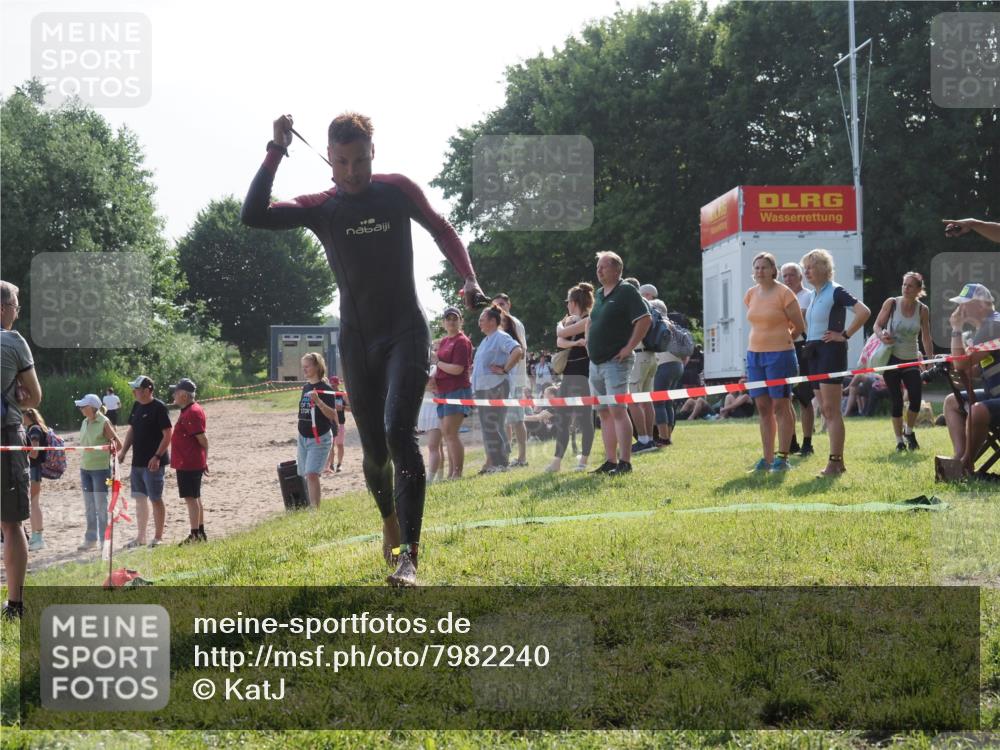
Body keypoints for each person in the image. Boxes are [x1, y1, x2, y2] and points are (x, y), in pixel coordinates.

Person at [242, 112, 484, 587]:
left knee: (399, 432)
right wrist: (276, 148)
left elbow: (441, 228)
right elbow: (253, 214)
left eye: (361, 160)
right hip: (356, 340)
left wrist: (469, 277)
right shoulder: (322, 206)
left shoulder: (396, 190)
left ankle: (408, 558)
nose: (353, 172)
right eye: (344, 162)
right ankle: (389, 519)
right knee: (374, 452)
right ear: (329, 159)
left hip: (405, 333)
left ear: (374, 153)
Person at [800, 249, 871, 476]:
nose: (806, 272)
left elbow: (863, 312)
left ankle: (835, 462)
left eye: (810, 267)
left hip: (830, 353)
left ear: (822, 268)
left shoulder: (836, 291)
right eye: (805, 268)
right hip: (814, 352)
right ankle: (837, 462)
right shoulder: (814, 295)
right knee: (825, 410)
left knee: (831, 410)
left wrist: (845, 334)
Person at [586, 252, 652, 476]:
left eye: (604, 266)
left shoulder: (626, 291)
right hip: (596, 363)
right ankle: (610, 461)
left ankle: (625, 461)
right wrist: (588, 343)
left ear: (617, 270)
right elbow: (593, 322)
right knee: (603, 413)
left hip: (616, 361)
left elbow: (644, 319)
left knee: (617, 410)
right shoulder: (599, 294)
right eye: (598, 267)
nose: (599, 270)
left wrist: (629, 347)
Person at [1, 280, 42, 620]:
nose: (17, 311)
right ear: (2, 309)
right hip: (5, 435)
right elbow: (36, 396)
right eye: (15, 305)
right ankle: (15, 605)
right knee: (12, 523)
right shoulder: (12, 341)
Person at [744, 252, 805, 472]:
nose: (760, 271)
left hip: (780, 354)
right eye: (756, 267)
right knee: (762, 406)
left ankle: (783, 457)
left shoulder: (784, 293)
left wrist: (785, 338)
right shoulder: (751, 294)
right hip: (754, 355)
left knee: (781, 405)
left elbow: (799, 326)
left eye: (764, 267)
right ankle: (767, 458)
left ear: (773, 270)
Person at [871, 272, 934, 451]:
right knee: (897, 401)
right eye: (904, 285)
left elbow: (927, 338)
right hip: (891, 357)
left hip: (911, 358)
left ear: (918, 290)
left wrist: (929, 363)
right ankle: (899, 441)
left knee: (915, 398)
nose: (906, 288)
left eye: (910, 286)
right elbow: (877, 326)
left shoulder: (923, 310)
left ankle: (909, 431)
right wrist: (882, 336)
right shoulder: (891, 303)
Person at [942, 283, 1000, 473]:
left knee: (977, 411)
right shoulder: (986, 327)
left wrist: (956, 328)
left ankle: (966, 463)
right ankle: (958, 457)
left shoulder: (994, 326)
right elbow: (974, 368)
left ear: (982, 304)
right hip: (995, 395)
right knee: (952, 402)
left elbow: (961, 364)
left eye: (966, 303)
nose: (961, 308)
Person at [117, 375, 172, 548]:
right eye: (134, 389)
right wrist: (124, 451)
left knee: (156, 499)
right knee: (140, 499)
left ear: (148, 390)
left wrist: (157, 456)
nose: (134, 392)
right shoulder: (136, 406)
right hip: (137, 462)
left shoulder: (159, 407)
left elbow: (168, 434)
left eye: (137, 389)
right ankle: (141, 537)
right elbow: (131, 430)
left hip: (153, 462)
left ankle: (158, 537)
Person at [546, 282, 595, 473]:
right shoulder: (570, 320)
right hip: (568, 376)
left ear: (574, 302)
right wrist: (574, 343)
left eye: (568, 302)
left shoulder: (588, 320)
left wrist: (565, 331)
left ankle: (583, 461)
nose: (566, 305)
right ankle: (557, 462)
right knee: (562, 420)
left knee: (585, 420)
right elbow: (559, 339)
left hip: (583, 376)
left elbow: (560, 335)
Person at [471, 305, 523, 474]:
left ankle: (501, 463)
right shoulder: (486, 340)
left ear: (493, 321)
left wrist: (505, 369)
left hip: (496, 387)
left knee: (493, 425)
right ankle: (495, 462)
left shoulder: (500, 336)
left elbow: (517, 351)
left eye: (482, 319)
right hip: (482, 389)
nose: (479, 323)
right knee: (489, 427)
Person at [76, 394, 121, 551]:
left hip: (101, 470)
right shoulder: (84, 421)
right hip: (85, 468)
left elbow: (118, 445)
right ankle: (90, 540)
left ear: (91, 407)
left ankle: (104, 541)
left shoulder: (104, 422)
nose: (80, 409)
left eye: (83, 406)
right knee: (89, 505)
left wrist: (110, 455)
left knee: (101, 506)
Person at [781, 262, 816, 456]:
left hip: (800, 348)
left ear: (800, 276)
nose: (788, 279)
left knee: (804, 398)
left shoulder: (806, 297)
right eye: (784, 276)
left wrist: (781, 337)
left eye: (792, 275)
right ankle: (791, 440)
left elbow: (798, 324)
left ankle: (807, 442)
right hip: (783, 347)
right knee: (784, 397)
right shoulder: (782, 298)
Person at [433, 306, 473, 479]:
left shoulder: (462, 341)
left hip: (457, 390)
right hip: (442, 391)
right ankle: (451, 473)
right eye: (448, 318)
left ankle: (457, 473)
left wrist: (438, 362)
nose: (451, 321)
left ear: (460, 321)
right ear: (443, 322)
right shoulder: (443, 341)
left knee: (451, 433)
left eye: (454, 318)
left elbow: (457, 369)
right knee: (446, 434)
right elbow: (439, 367)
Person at [296, 353, 339, 509]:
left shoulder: (325, 389)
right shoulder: (306, 387)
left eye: (307, 366)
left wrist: (319, 401)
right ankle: (309, 505)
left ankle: (315, 510)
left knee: (312, 473)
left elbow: (332, 414)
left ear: (316, 367)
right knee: (305, 474)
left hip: (319, 438)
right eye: (303, 367)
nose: (304, 370)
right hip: (303, 437)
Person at [170, 379, 209, 544]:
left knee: (191, 499)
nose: (174, 395)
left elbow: (203, 439)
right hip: (190, 461)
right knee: (195, 497)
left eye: (176, 392)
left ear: (184, 395)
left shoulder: (192, 412)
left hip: (189, 462)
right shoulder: (189, 410)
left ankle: (195, 535)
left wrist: (204, 459)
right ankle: (199, 532)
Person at [492, 293, 530, 467]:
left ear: (509, 304)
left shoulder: (514, 323)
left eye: (502, 304)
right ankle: (506, 456)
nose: (499, 307)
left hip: (515, 379)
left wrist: (507, 371)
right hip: (503, 381)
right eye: (496, 305)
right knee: (506, 420)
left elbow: (520, 352)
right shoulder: (498, 327)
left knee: (517, 420)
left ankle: (522, 458)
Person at [21, 408, 48, 551]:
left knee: (34, 504)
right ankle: (36, 537)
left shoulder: (34, 430)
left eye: (22, 414)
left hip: (33, 470)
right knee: (34, 503)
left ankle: (38, 538)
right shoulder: (35, 428)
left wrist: (20, 449)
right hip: (34, 470)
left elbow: (34, 453)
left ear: (27, 415)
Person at [416, 367, 444, 483]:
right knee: (437, 447)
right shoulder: (429, 367)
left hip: (434, 410)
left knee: (433, 446)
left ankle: (430, 479)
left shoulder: (435, 369)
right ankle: (439, 475)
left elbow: (432, 385)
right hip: (426, 408)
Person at [323, 376, 350, 475]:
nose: (333, 387)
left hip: (340, 423)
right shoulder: (328, 394)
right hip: (330, 423)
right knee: (331, 446)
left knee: (340, 445)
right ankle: (331, 465)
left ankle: (339, 464)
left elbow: (350, 408)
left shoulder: (342, 394)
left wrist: (342, 407)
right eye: (332, 385)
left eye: (335, 385)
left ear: (338, 384)